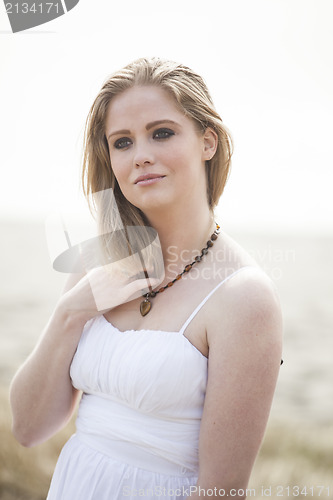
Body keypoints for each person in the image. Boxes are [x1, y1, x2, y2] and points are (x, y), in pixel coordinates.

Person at [9, 57, 283, 500]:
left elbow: (222, 492)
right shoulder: (97, 259)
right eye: (122, 142)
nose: (141, 156)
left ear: (207, 142)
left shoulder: (244, 297)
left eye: (162, 133)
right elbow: (27, 428)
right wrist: (71, 311)